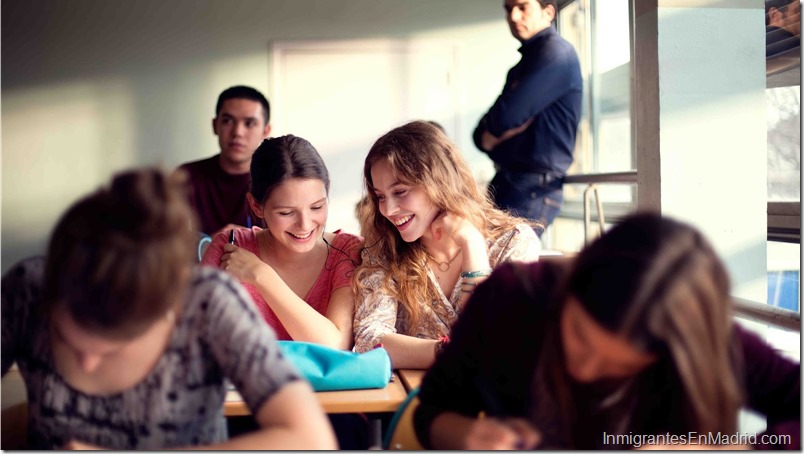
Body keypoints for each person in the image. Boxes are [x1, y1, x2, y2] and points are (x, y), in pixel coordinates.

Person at [0, 168, 336, 450]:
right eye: (65, 336)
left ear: (170, 308)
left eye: (115, 347)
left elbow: (312, 438)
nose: (86, 362)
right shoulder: (27, 289)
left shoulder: (210, 304)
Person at [413, 212, 801, 450]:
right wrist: (465, 436)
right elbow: (433, 409)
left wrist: (735, 449)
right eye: (579, 336)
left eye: (617, 366)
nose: (584, 369)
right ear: (570, 288)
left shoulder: (700, 341)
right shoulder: (510, 298)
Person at [352, 120, 542, 369]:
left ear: (438, 183)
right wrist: (446, 351)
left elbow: (500, 339)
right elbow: (369, 338)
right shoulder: (384, 249)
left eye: (400, 192)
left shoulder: (513, 241)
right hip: (410, 399)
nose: (387, 209)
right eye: (380, 196)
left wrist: (472, 245)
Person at [201, 135, 361, 351]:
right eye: (286, 212)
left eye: (316, 207)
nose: (304, 225)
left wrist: (261, 276)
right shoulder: (228, 248)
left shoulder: (346, 251)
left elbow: (335, 346)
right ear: (256, 206)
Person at [473, 0, 583, 236]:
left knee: (505, 269)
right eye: (508, 8)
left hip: (532, 187)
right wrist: (488, 137)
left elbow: (503, 119)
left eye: (523, 7)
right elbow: (481, 134)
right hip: (512, 182)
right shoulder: (525, 63)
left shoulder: (555, 54)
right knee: (490, 265)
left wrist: (493, 136)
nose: (513, 16)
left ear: (549, 12)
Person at [178, 85, 272, 237]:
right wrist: (209, 244)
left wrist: (250, 241)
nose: (237, 132)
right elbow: (162, 242)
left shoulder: (277, 182)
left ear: (265, 131)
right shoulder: (185, 177)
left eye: (249, 123)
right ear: (215, 125)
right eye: (228, 121)